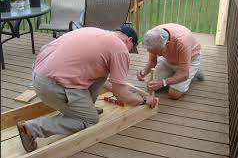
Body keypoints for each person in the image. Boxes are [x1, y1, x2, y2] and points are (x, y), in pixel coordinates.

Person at [17, 26, 157, 152]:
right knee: (90, 120)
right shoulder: (120, 48)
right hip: (52, 86)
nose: (129, 53)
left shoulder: (94, 31)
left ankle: (84, 107)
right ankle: (32, 128)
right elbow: (122, 95)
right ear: (129, 40)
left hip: (39, 76)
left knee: (101, 74)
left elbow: (109, 84)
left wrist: (121, 90)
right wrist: (144, 100)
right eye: (131, 49)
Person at [137, 23, 204, 100]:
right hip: (168, 59)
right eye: (153, 52)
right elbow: (152, 61)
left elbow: (184, 73)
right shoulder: (154, 37)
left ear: (167, 44)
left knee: (174, 94)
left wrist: (163, 82)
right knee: (151, 86)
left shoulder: (182, 42)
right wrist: (144, 71)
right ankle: (174, 74)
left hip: (190, 59)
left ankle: (193, 72)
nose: (157, 55)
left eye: (158, 52)